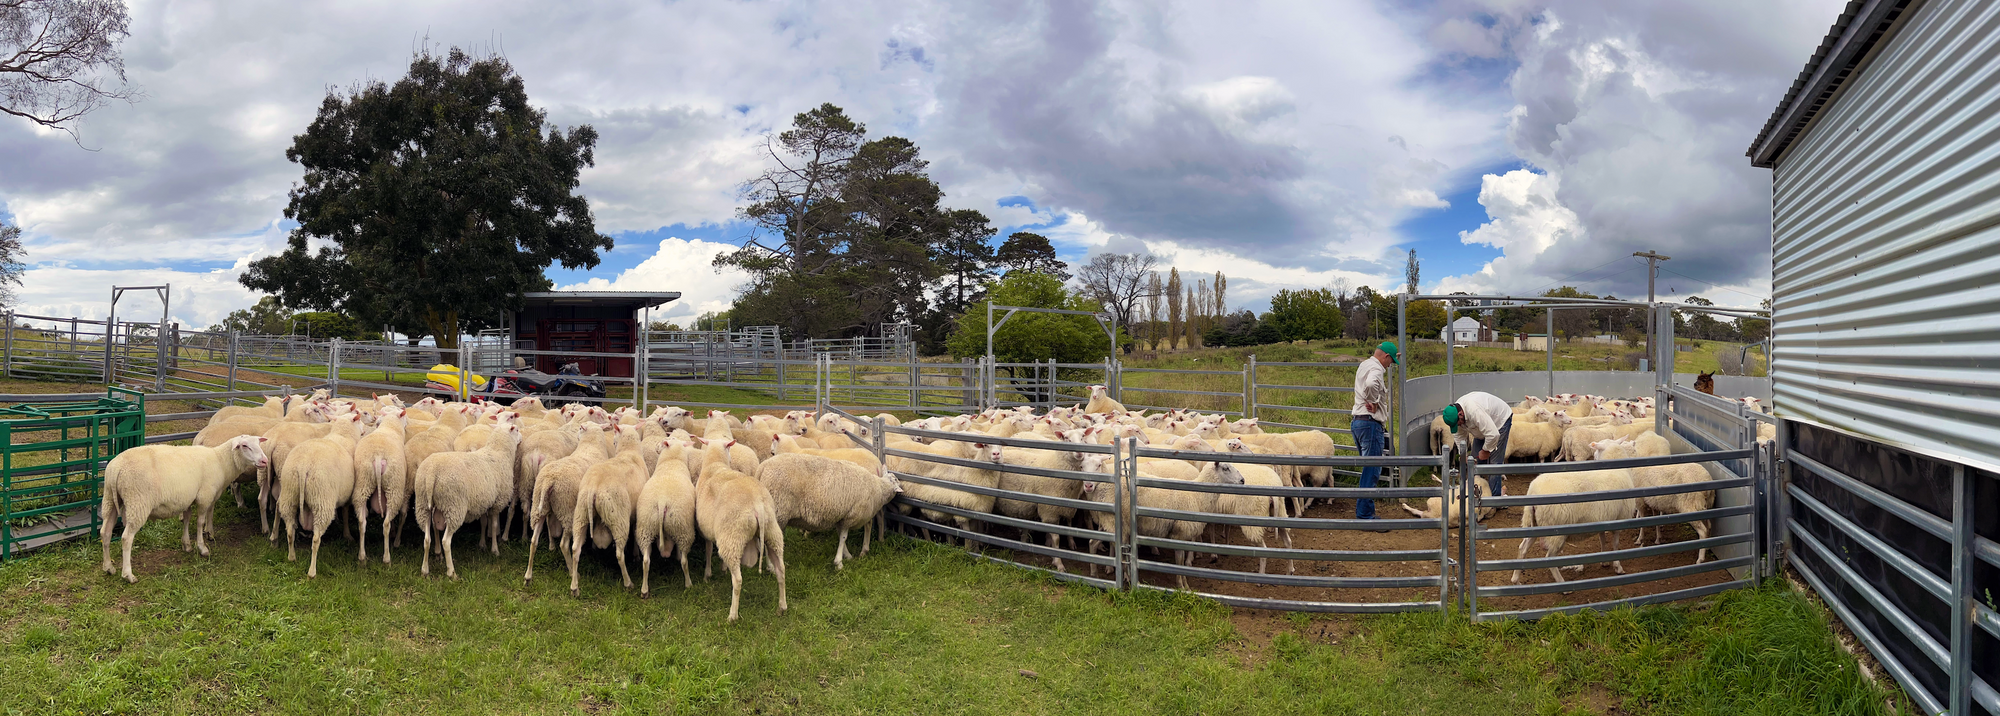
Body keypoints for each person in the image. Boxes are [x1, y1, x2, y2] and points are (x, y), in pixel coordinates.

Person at [1350, 341, 1397, 527]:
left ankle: (1364, 511)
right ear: (1385, 357)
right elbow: (1371, 384)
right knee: (1372, 470)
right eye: (1391, 361)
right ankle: (1365, 515)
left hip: (1358, 423)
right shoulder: (1377, 369)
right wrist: (1374, 400)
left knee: (1367, 468)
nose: (1390, 365)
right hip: (1370, 424)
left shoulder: (1365, 364)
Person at [1441, 391, 1514, 498]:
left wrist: (1486, 450)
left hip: (1499, 422)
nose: (1459, 425)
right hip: (1482, 427)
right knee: (1474, 461)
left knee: (1494, 462)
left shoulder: (1474, 411)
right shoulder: (1455, 414)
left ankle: (1495, 499)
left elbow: (1493, 434)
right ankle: (1477, 491)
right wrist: (1463, 454)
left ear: (1460, 414)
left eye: (1459, 423)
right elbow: (1458, 436)